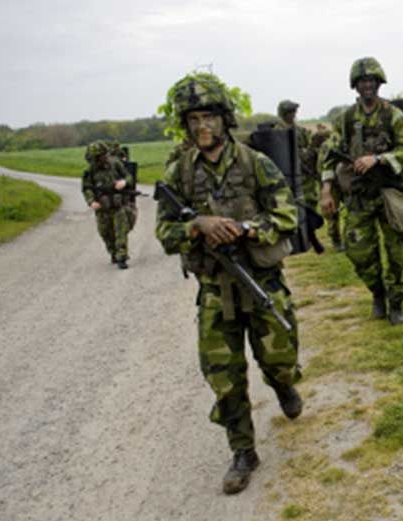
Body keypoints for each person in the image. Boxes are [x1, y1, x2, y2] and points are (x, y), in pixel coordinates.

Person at [154, 73, 304, 495]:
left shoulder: (254, 162)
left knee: (278, 356)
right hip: (216, 290)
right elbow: (165, 233)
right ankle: (243, 451)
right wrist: (198, 226)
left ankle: (282, 383)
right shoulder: (179, 172)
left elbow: (287, 214)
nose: (201, 127)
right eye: (193, 119)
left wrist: (244, 229)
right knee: (223, 376)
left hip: (261, 280)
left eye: (209, 118)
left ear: (224, 120)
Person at [320, 57, 403, 325]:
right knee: (359, 252)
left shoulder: (393, 116)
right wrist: (327, 190)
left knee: (397, 252)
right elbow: (329, 157)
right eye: (362, 81)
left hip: (388, 192)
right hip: (359, 196)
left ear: (379, 83)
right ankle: (377, 293)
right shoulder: (346, 119)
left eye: (371, 81)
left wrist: (378, 159)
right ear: (356, 86)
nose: (367, 86)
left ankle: (396, 302)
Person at [81, 140, 137, 269]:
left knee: (120, 232)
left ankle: (122, 257)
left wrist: (124, 182)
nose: (100, 160)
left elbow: (129, 177)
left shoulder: (115, 163)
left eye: (101, 156)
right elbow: (86, 188)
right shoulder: (89, 171)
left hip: (118, 205)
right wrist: (91, 201)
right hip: (102, 207)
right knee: (105, 233)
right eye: (96, 158)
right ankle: (113, 253)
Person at [309, 122, 344, 251]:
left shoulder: (329, 144)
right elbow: (322, 166)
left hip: (334, 179)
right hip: (331, 181)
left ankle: (339, 240)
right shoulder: (329, 145)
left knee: (333, 213)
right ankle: (336, 240)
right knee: (332, 212)